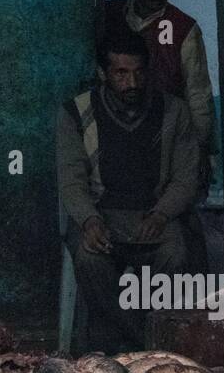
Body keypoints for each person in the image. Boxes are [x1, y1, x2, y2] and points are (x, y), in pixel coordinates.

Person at [57, 31, 199, 352]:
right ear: (103, 74)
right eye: (121, 73)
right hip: (102, 214)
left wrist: (163, 213)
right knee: (89, 259)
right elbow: (71, 179)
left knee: (175, 254)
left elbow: (186, 177)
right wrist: (89, 220)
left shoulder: (174, 111)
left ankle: (150, 334)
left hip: (153, 214)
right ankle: (144, 343)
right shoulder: (75, 114)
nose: (132, 82)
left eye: (138, 72)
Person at [104, 0, 216, 167]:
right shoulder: (107, 15)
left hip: (164, 132)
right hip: (113, 130)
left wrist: (201, 149)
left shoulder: (184, 28)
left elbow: (198, 95)